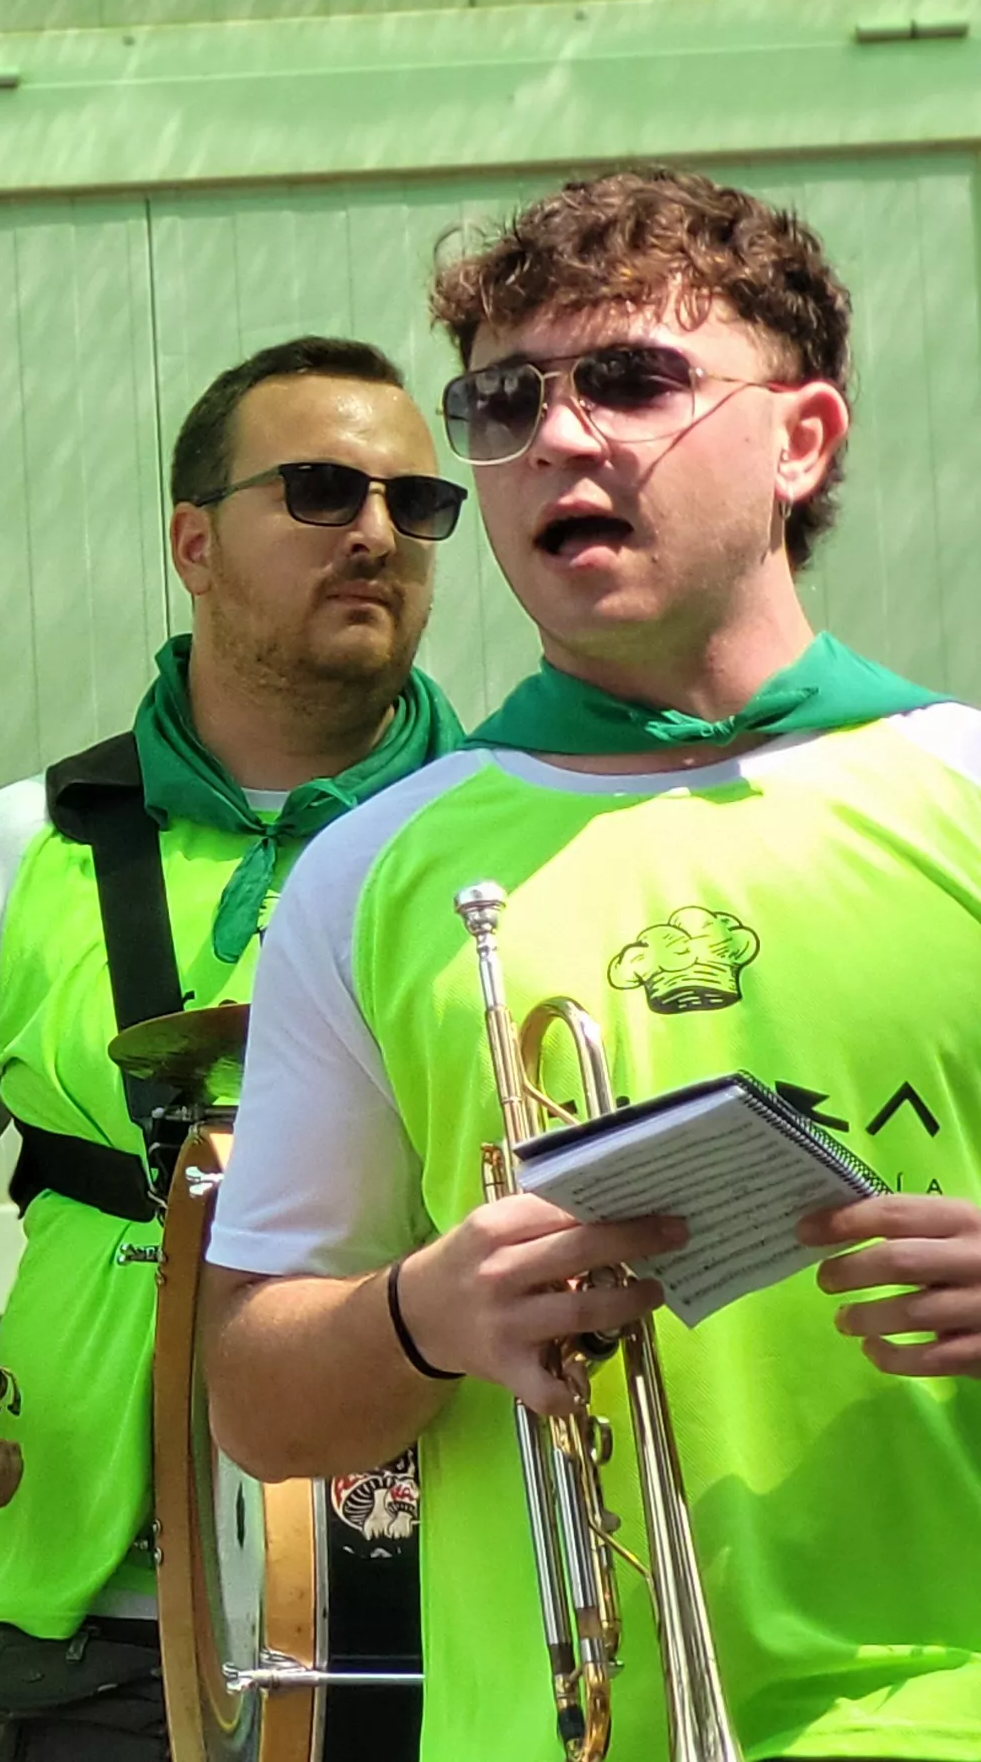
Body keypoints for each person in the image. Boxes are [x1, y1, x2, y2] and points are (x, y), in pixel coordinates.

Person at [205, 167, 981, 1759]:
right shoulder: (368, 874)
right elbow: (253, 1405)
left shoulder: (964, 790)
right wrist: (427, 1313)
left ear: (801, 440)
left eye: (631, 381)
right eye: (506, 400)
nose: (558, 436)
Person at [0, 338, 466, 1760]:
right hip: (101, 1632)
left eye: (419, 505)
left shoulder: (521, 835)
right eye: (323, 490)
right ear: (193, 540)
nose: (377, 535)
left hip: (476, 1607)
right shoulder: (22, 849)